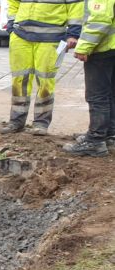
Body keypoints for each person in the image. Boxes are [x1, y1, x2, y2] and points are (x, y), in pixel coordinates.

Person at [1, 0, 84, 135]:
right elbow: (13, 2)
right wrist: (12, 25)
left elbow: (75, 7)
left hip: (51, 38)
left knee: (45, 80)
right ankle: (16, 121)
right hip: (21, 36)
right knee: (19, 79)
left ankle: (41, 123)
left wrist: (74, 34)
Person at [63, 0, 115, 156]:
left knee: (97, 96)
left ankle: (95, 141)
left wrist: (84, 47)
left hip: (103, 49)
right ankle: (109, 135)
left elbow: (99, 20)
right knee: (110, 94)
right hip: (112, 48)